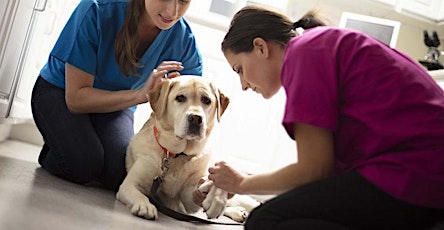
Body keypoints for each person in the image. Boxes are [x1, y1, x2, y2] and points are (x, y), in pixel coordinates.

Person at [208, 5, 444, 229]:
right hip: (425, 172)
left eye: (239, 69)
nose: (243, 85)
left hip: (418, 175)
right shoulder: (317, 45)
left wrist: (241, 184)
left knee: (266, 221)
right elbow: (324, 174)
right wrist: (246, 180)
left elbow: (314, 171)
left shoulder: (304, 53)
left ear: (260, 47)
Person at [31, 0, 202, 191]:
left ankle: (84, 142)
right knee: (83, 164)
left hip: (114, 108)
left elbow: (196, 101)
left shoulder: (183, 39)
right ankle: (59, 149)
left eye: (183, 0)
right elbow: (76, 100)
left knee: (120, 174)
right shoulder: (97, 8)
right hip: (60, 92)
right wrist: (139, 95)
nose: (173, 11)